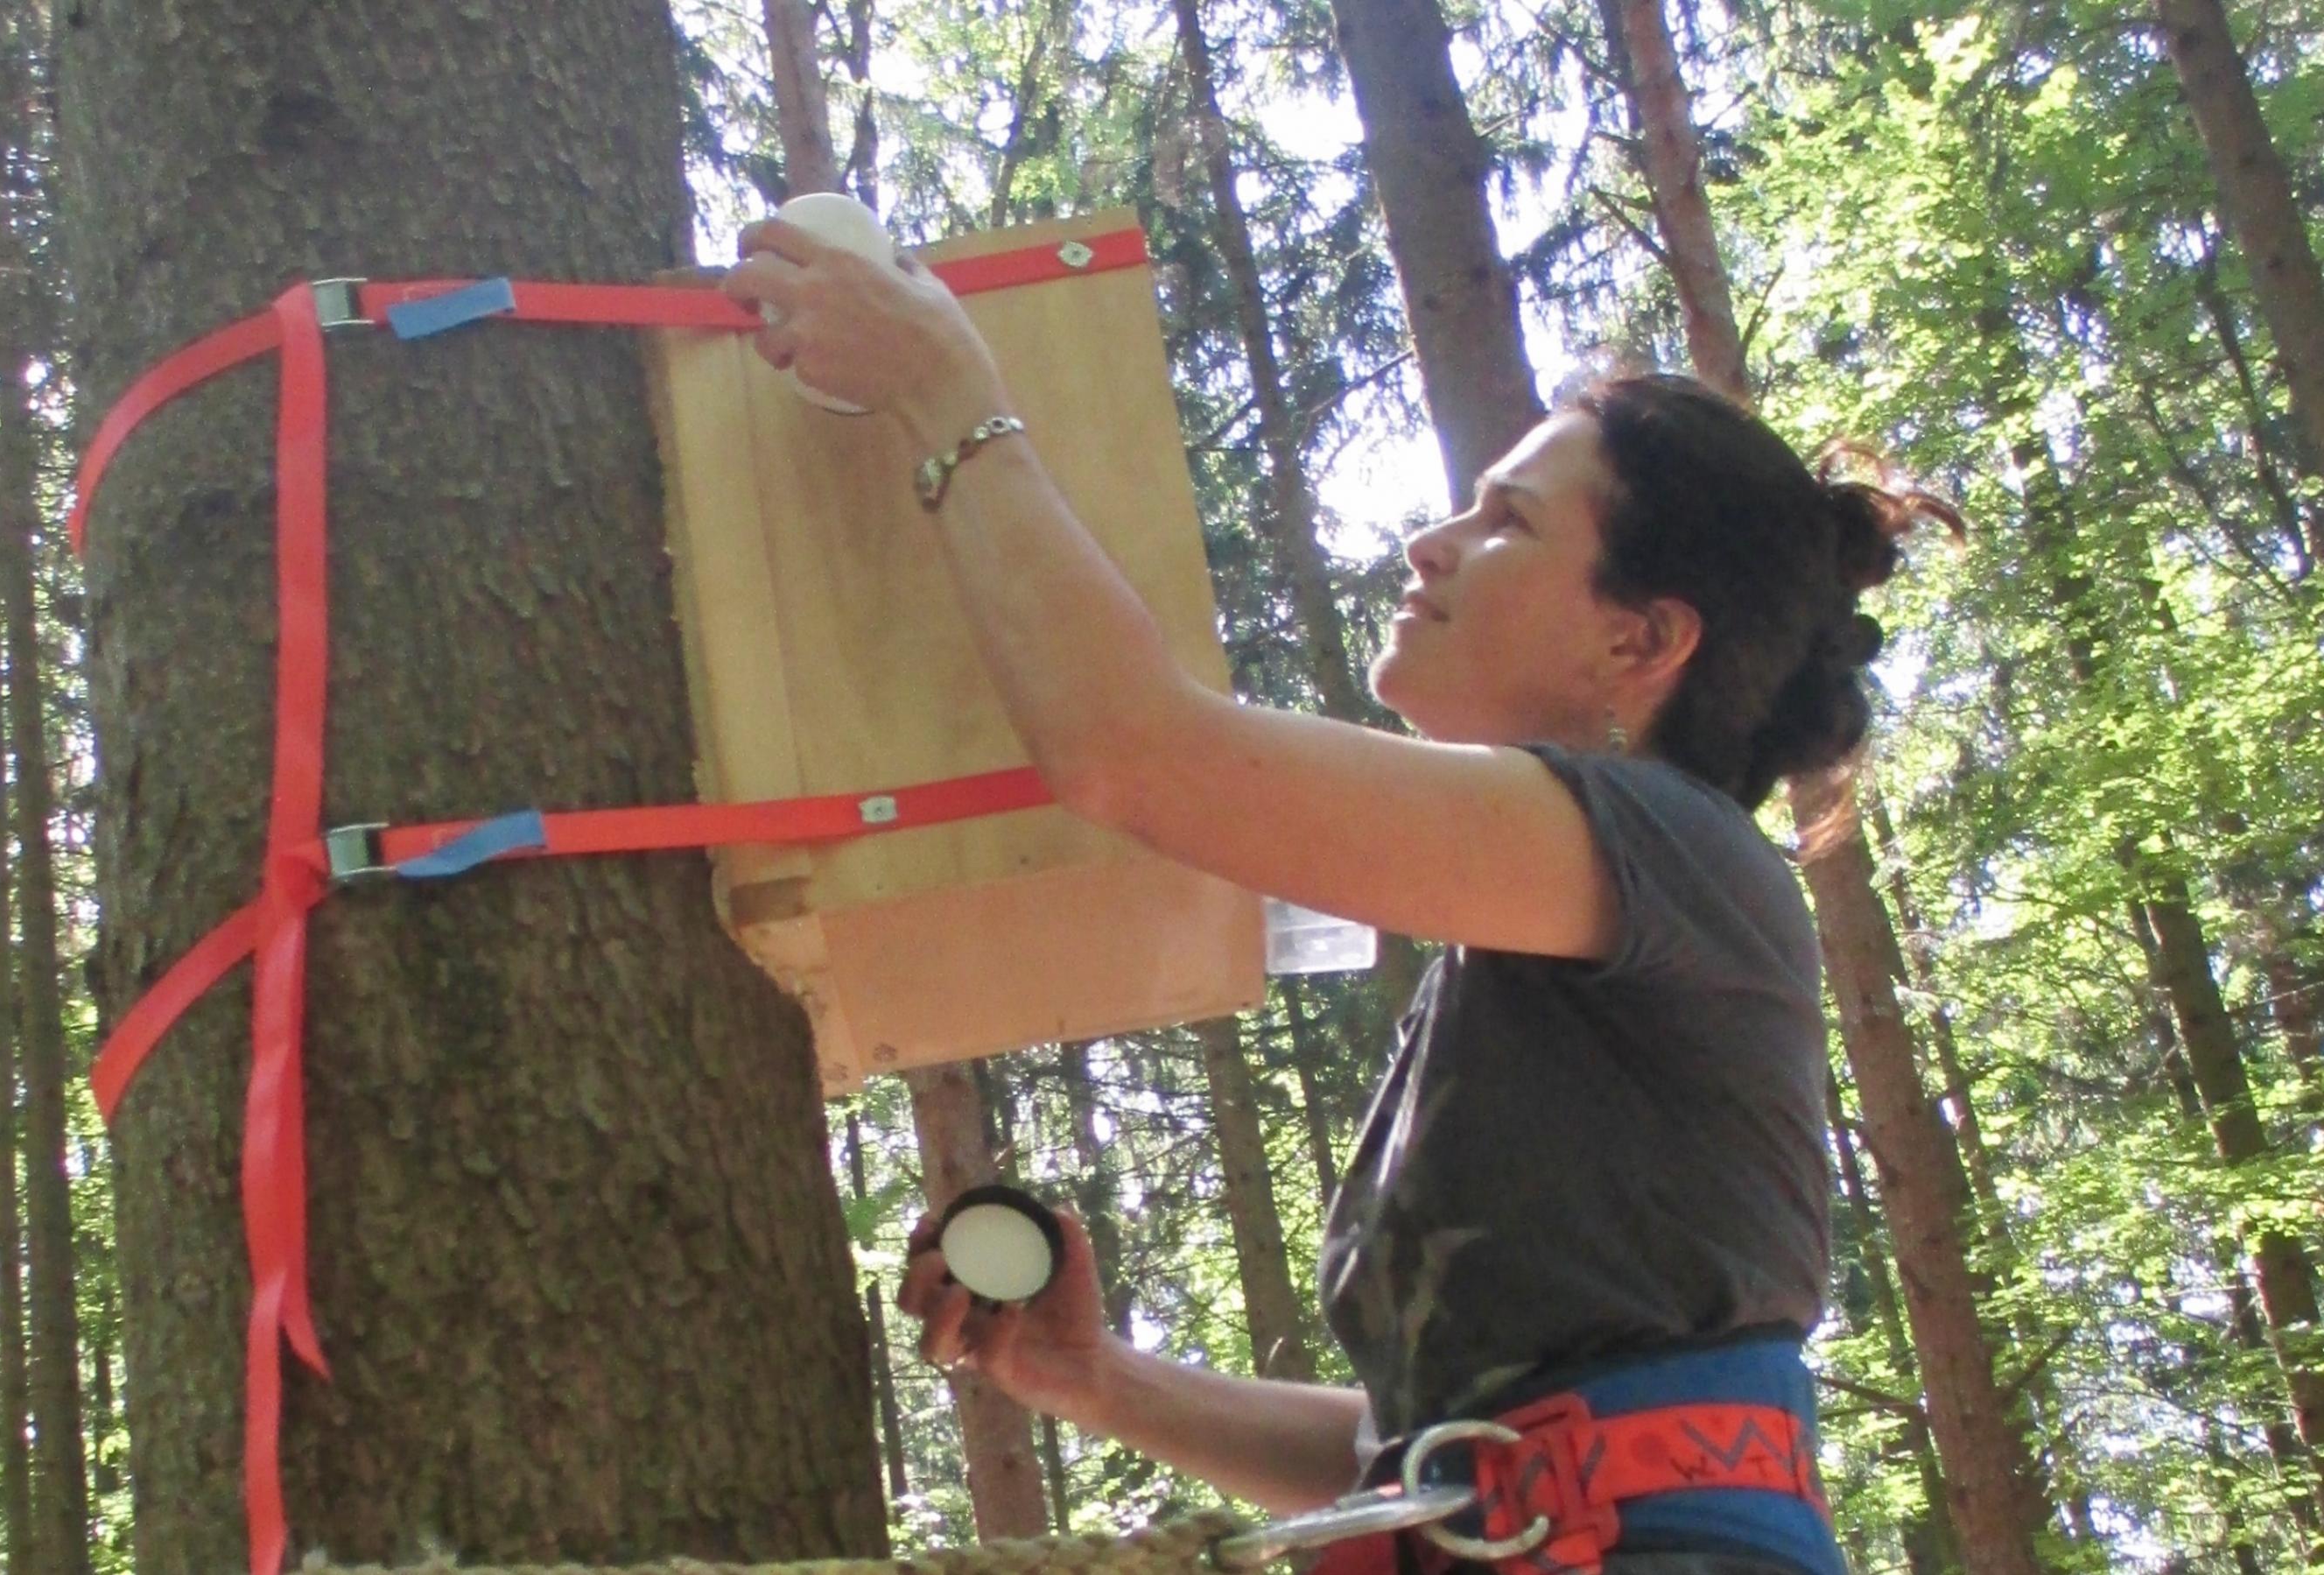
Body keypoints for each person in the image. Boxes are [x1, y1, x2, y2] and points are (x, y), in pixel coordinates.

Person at [722, 217, 1942, 1575]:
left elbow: (1137, 753)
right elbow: (1446, 1459)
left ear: (1638, 639)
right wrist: (1100, 1381)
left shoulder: (1683, 849)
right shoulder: (1548, 946)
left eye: (1508, 522)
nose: (1431, 540)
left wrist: (942, 386)